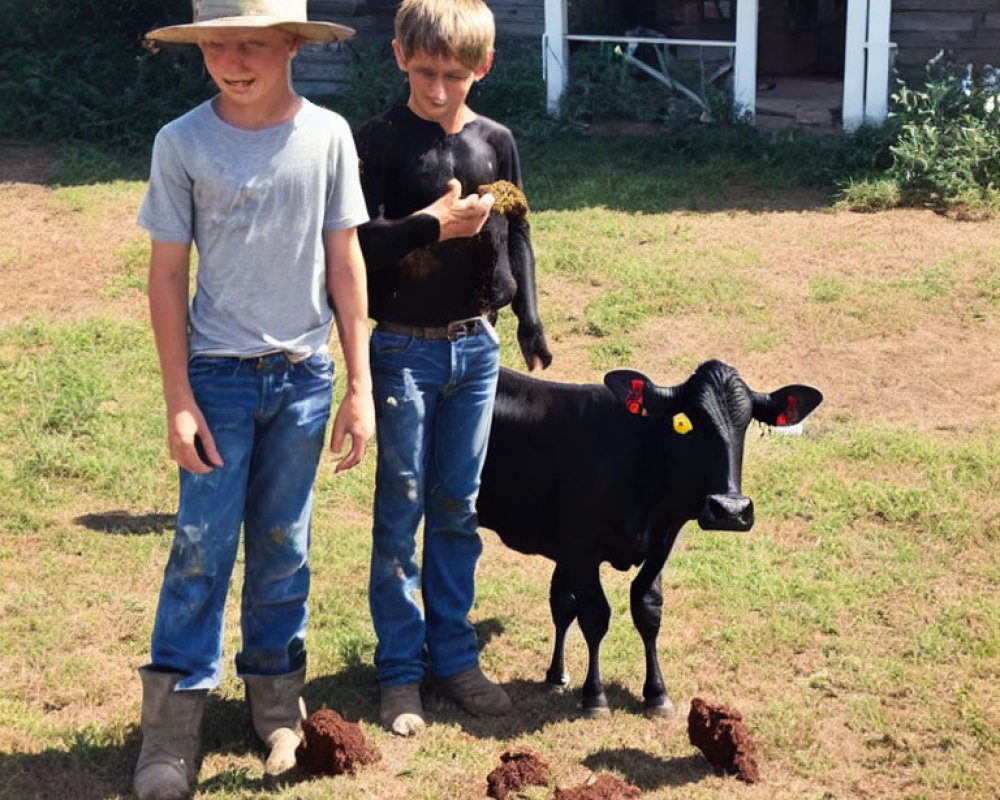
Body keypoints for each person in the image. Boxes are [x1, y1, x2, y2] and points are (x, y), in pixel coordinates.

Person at [133, 2, 373, 797]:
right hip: (218, 379)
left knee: (285, 544)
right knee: (201, 551)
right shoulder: (182, 142)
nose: (235, 59)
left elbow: (345, 266)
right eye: (216, 44)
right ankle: (171, 736)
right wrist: (178, 398)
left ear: (293, 45)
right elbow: (167, 276)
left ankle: (276, 705)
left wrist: (359, 385)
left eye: (255, 43)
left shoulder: (328, 137)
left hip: (305, 380)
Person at [354, 0, 552, 737]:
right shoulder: (378, 140)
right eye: (428, 71)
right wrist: (431, 226)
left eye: (456, 76)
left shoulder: (496, 141)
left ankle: (455, 656)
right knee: (402, 506)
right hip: (403, 346)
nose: (439, 90)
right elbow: (356, 244)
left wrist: (529, 315)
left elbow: (520, 229)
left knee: (458, 504)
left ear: (483, 68)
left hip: (477, 349)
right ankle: (400, 672)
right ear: (401, 54)